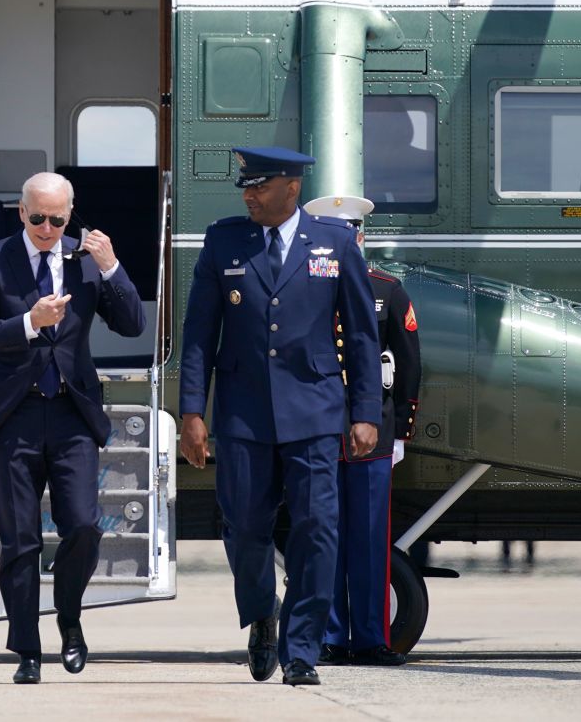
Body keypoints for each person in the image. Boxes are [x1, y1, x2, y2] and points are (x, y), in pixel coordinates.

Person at [179, 147, 382, 687]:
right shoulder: (224, 239)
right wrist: (191, 412)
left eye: (259, 186)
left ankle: (302, 650)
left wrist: (366, 411)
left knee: (318, 529)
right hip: (244, 414)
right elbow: (199, 333)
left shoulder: (335, 242)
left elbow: (362, 335)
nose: (248, 195)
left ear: (290, 188)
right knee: (245, 527)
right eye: (246, 187)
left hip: (314, 409)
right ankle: (262, 613)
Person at [0, 172, 146, 684]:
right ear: (22, 212)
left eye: (57, 219)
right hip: (14, 414)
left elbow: (132, 323)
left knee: (83, 525)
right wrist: (28, 322)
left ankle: (69, 618)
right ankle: (27, 650)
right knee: (19, 539)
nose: (46, 228)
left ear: (70, 214)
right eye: (37, 217)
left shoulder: (85, 262)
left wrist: (111, 267)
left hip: (70, 412)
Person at [319, 196, 421, 668]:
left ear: (361, 236)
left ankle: (372, 639)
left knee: (370, 541)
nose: (350, 240)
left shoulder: (387, 290)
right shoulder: (307, 287)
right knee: (324, 537)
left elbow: (409, 364)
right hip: (318, 429)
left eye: (354, 231)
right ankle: (330, 637)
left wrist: (400, 429)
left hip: (371, 434)